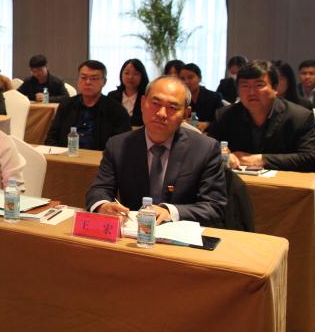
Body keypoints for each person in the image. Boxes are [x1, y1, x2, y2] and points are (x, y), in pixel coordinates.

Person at [86, 77, 227, 226]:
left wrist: (170, 212)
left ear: (186, 113)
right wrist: (103, 206)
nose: (161, 113)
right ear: (142, 103)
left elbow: (214, 207)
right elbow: (99, 189)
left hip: (179, 234)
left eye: (172, 107)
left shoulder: (205, 149)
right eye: (155, 103)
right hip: (131, 232)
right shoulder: (118, 145)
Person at [206, 60, 315, 172]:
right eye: (245, 86)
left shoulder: (299, 117)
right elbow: (208, 150)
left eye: (259, 85)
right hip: (235, 181)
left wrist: (261, 159)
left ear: (275, 88)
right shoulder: (224, 115)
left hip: (283, 182)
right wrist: (224, 155)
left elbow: (311, 159)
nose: (251, 92)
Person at [46, 60, 130, 150]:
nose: (88, 82)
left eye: (94, 78)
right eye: (83, 77)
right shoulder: (66, 105)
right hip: (67, 156)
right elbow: (51, 137)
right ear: (78, 80)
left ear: (104, 82)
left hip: (100, 158)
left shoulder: (117, 110)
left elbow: (121, 145)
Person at [106, 58, 149, 127]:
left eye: (135, 74)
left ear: (142, 76)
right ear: (121, 74)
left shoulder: (146, 97)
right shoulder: (112, 96)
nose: (130, 77)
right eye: (126, 73)